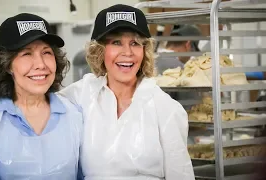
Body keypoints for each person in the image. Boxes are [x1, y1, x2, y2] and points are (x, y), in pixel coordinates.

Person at [58, 4, 195, 180]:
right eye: (116, 42)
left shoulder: (165, 108)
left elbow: (180, 175)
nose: (127, 53)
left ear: (144, 51)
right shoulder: (82, 95)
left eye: (135, 43)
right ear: (100, 50)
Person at [0, 13, 83, 180]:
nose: (40, 65)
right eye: (26, 54)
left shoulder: (74, 114)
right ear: (7, 65)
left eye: (47, 52)